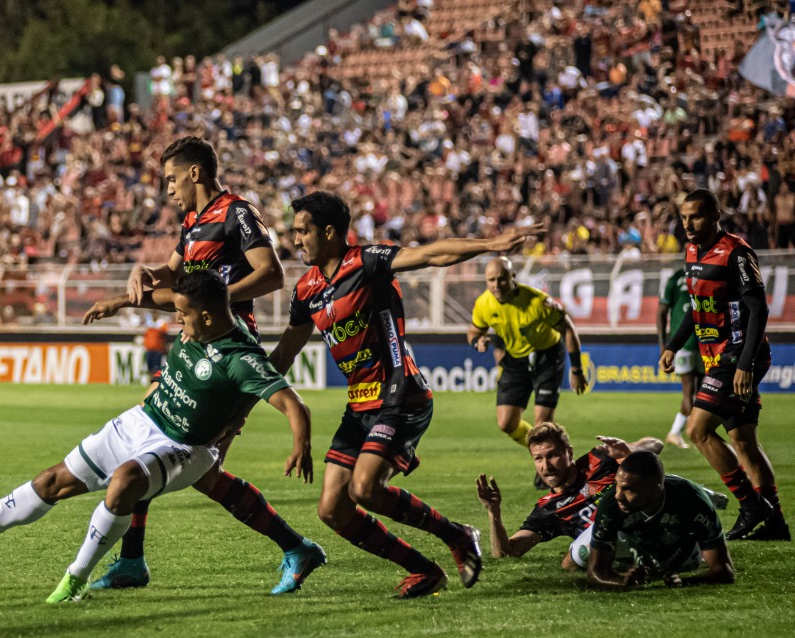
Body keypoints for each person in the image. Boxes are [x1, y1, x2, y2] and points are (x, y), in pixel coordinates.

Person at [0, 271, 314, 603]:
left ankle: (74, 579)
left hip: (185, 447)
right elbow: (162, 298)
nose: (177, 322)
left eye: (183, 315)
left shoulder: (238, 358)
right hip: (142, 420)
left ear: (207, 317)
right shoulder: (202, 323)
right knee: (51, 482)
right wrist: (120, 301)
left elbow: (294, 405)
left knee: (124, 483)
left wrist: (301, 445)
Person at [82, 136, 325, 594]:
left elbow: (272, 273)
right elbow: (172, 279)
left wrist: (216, 299)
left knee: (190, 462)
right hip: (194, 346)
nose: (168, 189)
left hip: (226, 350)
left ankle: (295, 548)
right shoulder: (193, 223)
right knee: (167, 453)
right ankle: (133, 560)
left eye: (172, 179)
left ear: (195, 173)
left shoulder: (237, 213)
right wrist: (135, 282)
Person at [266, 192, 541, 595]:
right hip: (359, 405)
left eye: (303, 231)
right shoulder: (306, 290)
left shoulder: (365, 262)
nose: (297, 239)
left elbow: (431, 255)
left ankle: (456, 535)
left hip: (401, 394)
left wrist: (490, 246)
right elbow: (284, 354)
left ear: (329, 232)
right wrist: (236, 403)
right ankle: (425, 570)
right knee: (332, 510)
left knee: (364, 488)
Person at [660, 189, 788, 541]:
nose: (687, 224)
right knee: (743, 440)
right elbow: (697, 305)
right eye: (684, 217)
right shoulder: (690, 250)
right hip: (715, 354)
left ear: (716, 215)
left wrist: (745, 364)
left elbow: (758, 309)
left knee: (697, 430)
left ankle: (752, 506)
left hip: (737, 355)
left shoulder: (736, 252)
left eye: (696, 216)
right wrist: (672, 345)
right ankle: (775, 522)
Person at [477, 422, 673, 570]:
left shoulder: (599, 460)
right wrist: (494, 512)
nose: (546, 466)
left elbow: (655, 445)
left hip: (653, 525)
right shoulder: (549, 510)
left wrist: (629, 451)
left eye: (553, 455)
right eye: (538, 459)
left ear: (569, 453)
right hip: (617, 546)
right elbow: (507, 553)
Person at [467, 257, 587, 485]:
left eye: (501, 279)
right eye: (491, 280)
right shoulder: (484, 304)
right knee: (506, 423)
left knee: (542, 421)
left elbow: (568, 329)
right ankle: (546, 451)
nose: (496, 285)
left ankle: (548, 466)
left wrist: (577, 369)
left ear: (512, 278)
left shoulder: (537, 302)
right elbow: (474, 330)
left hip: (547, 356)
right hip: (515, 360)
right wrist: (477, 342)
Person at [584, 451, 735, 590]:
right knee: (578, 555)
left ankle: (706, 494)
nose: (618, 495)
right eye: (617, 485)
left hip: (681, 548)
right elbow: (595, 574)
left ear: (655, 488)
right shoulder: (611, 503)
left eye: (628, 489)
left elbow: (724, 571)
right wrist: (621, 580)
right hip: (627, 540)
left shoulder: (692, 501)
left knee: (683, 564)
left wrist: (685, 581)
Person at [657, 264, 703, 449]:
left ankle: (678, 432)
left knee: (701, 392)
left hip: (704, 342)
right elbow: (661, 311)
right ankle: (692, 432)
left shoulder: (680, 277)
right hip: (684, 343)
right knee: (690, 391)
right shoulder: (676, 277)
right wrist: (664, 344)